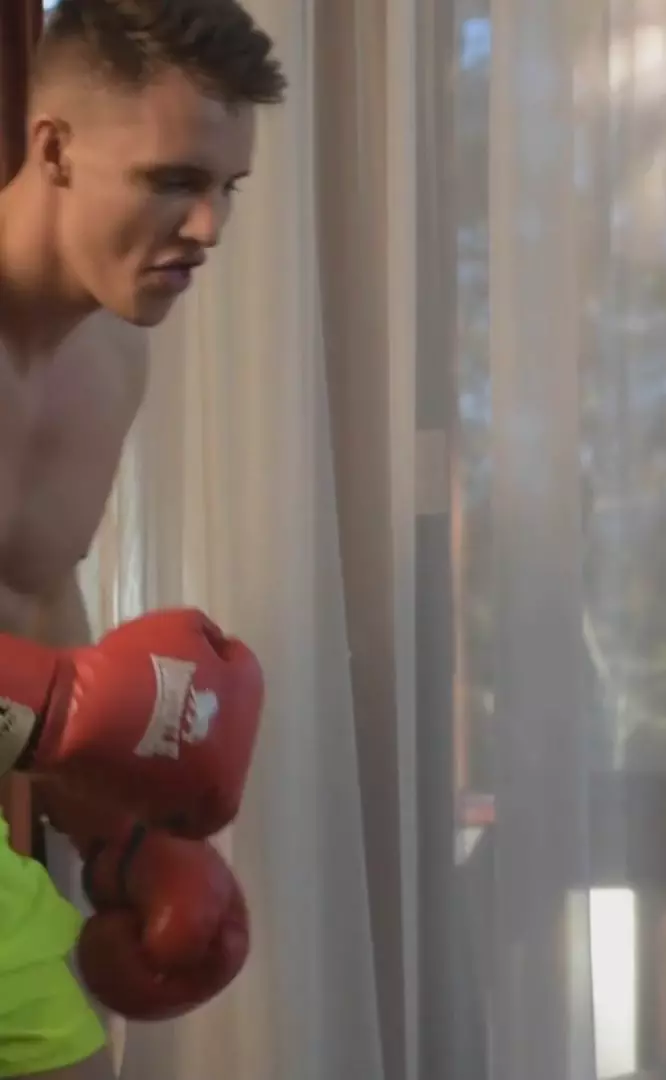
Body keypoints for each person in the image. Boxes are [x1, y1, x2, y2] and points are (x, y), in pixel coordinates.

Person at [0, 2, 284, 1077]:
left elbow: (38, 596)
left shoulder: (112, 361)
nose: (209, 227)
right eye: (174, 181)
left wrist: (115, 840)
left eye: (228, 187)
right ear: (55, 149)